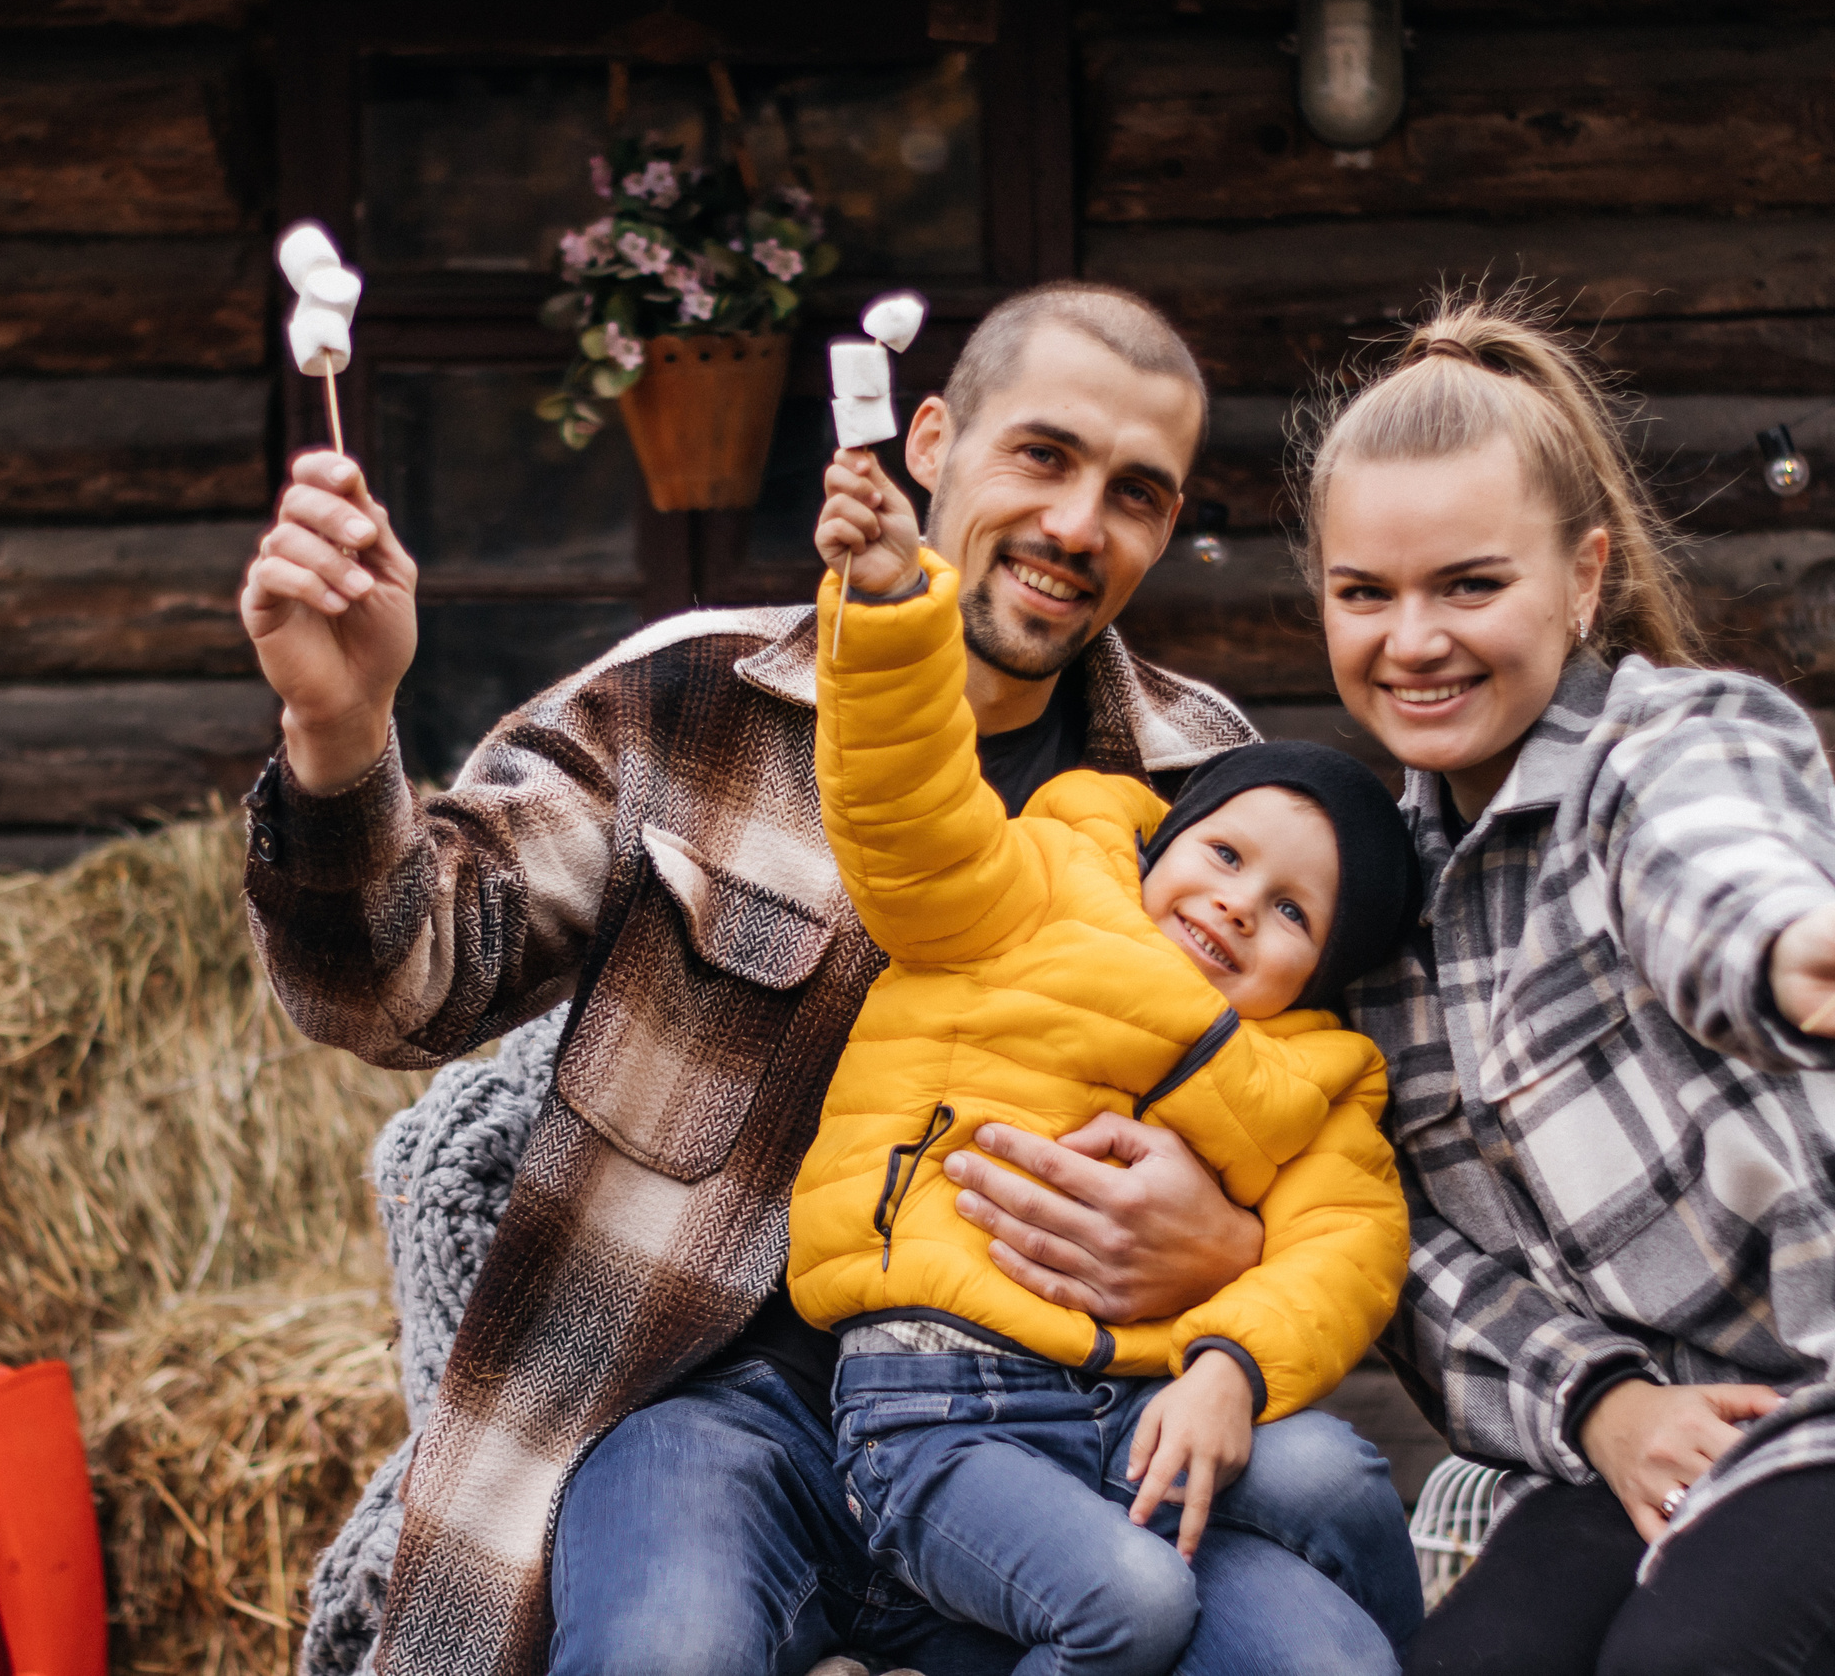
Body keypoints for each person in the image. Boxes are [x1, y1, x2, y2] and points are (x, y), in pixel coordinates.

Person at [239, 282, 1403, 1676]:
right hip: (710, 1417)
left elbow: (1320, 1148)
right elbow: (398, 987)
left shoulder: (1207, 787)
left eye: (1137, 495)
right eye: (1042, 455)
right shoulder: (690, 698)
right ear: (932, 439)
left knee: (1322, 1661)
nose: (1079, 524)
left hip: (1063, 1437)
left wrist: (1229, 1251)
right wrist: (338, 725)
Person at [1272, 292, 1835, 1676]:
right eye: (1364, 593)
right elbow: (1409, 1254)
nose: (1413, 638)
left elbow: (1720, 883)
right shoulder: (1369, 922)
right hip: (1677, 1431)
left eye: (1471, 585)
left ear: (1585, 577)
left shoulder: (1675, 744)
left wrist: (1796, 961)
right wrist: (1599, 1403)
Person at [787, 449, 1424, 1675]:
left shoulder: (1312, 1073)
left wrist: (1231, 1363)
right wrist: (889, 615)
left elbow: (1345, 1247)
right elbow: (907, 808)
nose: (1237, 905)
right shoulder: (1030, 891)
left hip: (1133, 1397)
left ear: (1321, 973)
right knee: (1135, 1602)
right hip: (937, 1394)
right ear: (1168, 839)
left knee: (1340, 1473)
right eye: (1226, 856)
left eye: (1292, 913)